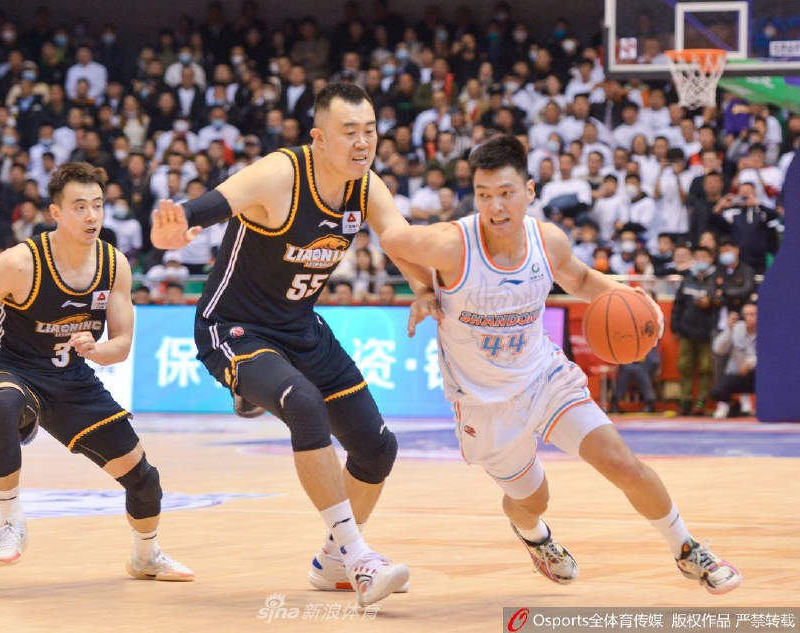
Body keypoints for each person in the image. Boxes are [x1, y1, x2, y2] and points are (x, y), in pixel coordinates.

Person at [378, 135, 741, 594]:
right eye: (484, 195)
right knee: (533, 500)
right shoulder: (450, 244)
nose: (495, 207)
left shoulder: (546, 240)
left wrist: (631, 297)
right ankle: (534, 535)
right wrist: (422, 288)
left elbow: (582, 279)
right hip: (484, 404)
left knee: (623, 464)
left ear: (529, 190)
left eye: (506, 193)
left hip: (544, 377)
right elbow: (391, 239)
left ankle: (687, 549)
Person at [150, 83, 436, 607]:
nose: (363, 142)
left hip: (301, 328)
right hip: (233, 327)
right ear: (319, 138)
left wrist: (423, 288)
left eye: (370, 131)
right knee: (303, 402)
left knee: (377, 448)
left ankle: (332, 562)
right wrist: (178, 225)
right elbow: (210, 205)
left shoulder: (365, 186)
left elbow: (399, 239)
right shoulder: (281, 173)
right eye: (349, 132)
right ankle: (359, 556)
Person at [0, 163, 192, 582]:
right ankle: (11, 521)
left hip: (73, 380)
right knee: (4, 403)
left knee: (145, 481)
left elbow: (122, 345)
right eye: (80, 206)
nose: (92, 216)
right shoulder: (20, 263)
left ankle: (146, 556)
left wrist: (96, 349)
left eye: (97, 205)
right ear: (56, 212)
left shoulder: (114, 265)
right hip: (13, 369)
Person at [710, 304, 757, 419]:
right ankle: (734, 406)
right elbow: (718, 349)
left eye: (752, 315)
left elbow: (771, 355)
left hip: (760, 375)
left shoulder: (767, 330)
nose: (749, 318)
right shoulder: (737, 328)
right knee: (716, 391)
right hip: (738, 374)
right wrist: (729, 329)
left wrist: (751, 363)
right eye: (746, 315)